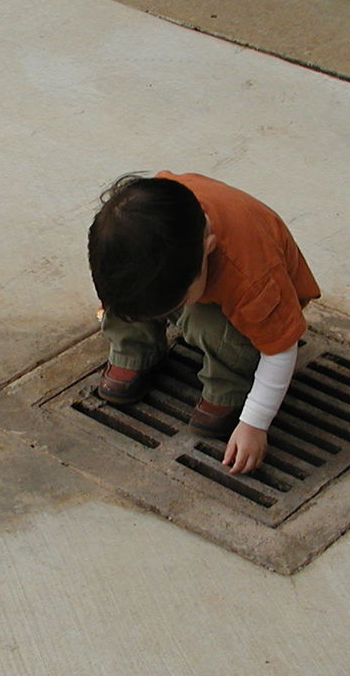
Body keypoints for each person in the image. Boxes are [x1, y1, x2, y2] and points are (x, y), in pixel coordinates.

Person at [86, 171, 320, 475]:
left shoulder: (252, 277)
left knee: (206, 324)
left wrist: (254, 423)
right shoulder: (152, 214)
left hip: (255, 310)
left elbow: (281, 348)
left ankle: (227, 387)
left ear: (207, 249)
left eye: (174, 305)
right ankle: (134, 351)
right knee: (126, 294)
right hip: (181, 278)